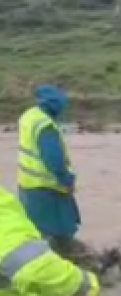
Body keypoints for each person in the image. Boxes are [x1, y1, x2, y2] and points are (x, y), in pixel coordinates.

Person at [17, 85, 81, 250]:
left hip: (27, 184)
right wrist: (67, 180)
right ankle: (62, 263)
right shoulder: (45, 125)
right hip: (47, 188)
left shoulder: (29, 116)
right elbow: (54, 159)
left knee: (35, 230)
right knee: (60, 231)